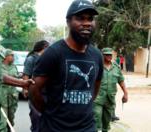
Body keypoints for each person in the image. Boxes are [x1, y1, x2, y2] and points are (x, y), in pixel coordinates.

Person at [28, 0, 103, 131]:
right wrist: (50, 113)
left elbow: (94, 89)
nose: (86, 23)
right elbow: (34, 90)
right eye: (80, 18)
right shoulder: (53, 53)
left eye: (90, 19)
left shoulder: (97, 55)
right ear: (68, 21)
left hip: (87, 127)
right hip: (55, 128)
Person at [93, 47, 128, 132]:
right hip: (98, 98)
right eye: (107, 55)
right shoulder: (96, 66)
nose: (109, 56)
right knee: (96, 117)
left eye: (110, 55)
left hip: (110, 99)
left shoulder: (116, 67)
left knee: (107, 121)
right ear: (102, 55)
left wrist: (125, 93)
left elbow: (121, 80)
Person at [22, 40, 49, 132]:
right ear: (44, 47)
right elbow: (26, 75)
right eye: (48, 47)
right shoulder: (31, 59)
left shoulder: (45, 58)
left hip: (46, 93)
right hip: (34, 92)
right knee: (36, 117)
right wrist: (25, 89)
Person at [1, 49, 19, 128]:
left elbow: (17, 77)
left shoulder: (14, 67)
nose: (13, 57)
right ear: (6, 56)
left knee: (11, 119)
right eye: (11, 55)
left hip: (12, 97)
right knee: (3, 120)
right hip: (2, 97)